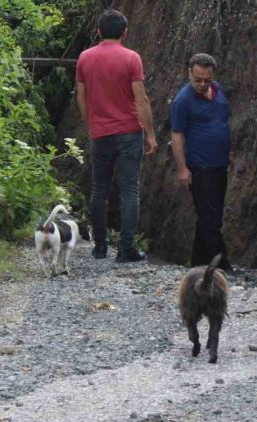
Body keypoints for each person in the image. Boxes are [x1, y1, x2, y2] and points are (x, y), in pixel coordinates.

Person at [76, 9, 157, 263]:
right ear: (125, 32)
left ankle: (100, 246)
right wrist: (151, 134)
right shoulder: (131, 58)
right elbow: (140, 99)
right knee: (129, 190)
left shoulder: (84, 58)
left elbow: (81, 96)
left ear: (98, 31)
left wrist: (91, 123)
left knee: (99, 189)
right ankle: (126, 249)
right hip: (129, 132)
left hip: (100, 132)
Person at [170, 53, 233, 270]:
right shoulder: (182, 101)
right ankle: (221, 263)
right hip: (200, 166)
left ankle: (198, 263)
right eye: (197, 79)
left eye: (206, 79)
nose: (202, 84)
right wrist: (182, 168)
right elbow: (177, 136)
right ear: (189, 73)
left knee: (208, 215)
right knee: (211, 218)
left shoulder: (218, 90)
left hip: (219, 164)